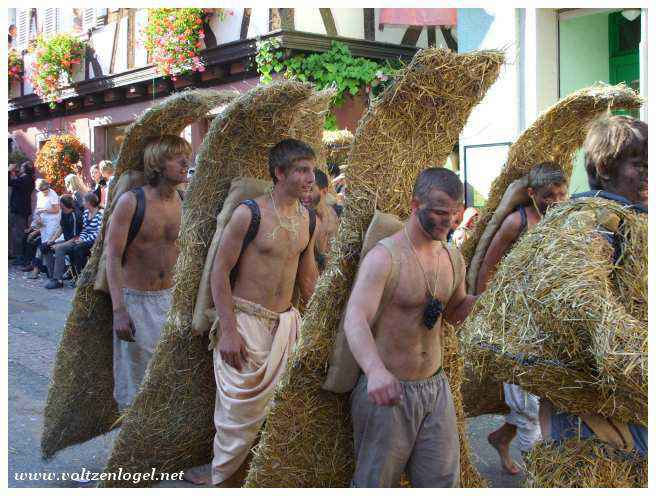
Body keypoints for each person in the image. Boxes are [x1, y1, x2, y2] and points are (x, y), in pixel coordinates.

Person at [186, 139, 320, 486]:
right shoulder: (250, 213)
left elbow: (308, 277)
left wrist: (322, 325)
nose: (310, 177)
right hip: (245, 323)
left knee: (274, 415)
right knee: (235, 415)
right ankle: (223, 480)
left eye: (311, 169)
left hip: (285, 325)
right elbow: (219, 271)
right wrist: (228, 330)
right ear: (279, 173)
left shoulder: (308, 218)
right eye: (302, 170)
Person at [343, 168, 477, 487]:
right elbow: (356, 317)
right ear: (416, 205)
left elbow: (454, 312)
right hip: (388, 391)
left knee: (442, 482)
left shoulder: (453, 258)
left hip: (435, 388)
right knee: (376, 483)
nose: (448, 223)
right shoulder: (385, 257)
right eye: (440, 213)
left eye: (454, 215)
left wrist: (491, 300)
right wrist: (375, 371)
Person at [538, 115, 647, 457]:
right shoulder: (595, 221)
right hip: (599, 399)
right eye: (639, 165)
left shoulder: (632, 218)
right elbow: (579, 300)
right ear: (604, 167)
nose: (648, 173)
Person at [475, 162, 568, 475]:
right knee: (528, 406)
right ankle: (541, 479)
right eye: (548, 195)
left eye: (561, 194)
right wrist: (484, 313)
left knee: (541, 396)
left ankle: (500, 438)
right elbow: (488, 266)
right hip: (516, 324)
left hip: (550, 325)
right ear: (531, 194)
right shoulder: (518, 222)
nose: (555, 200)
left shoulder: (567, 221)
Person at [104, 135, 190, 408]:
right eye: (177, 158)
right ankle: (129, 444)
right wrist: (119, 310)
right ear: (157, 164)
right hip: (136, 301)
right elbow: (113, 256)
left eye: (186, 156)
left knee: (168, 379)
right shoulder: (131, 202)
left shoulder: (184, 200)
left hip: (171, 299)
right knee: (136, 385)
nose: (186, 162)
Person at [45, 192, 102, 288]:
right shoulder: (86, 213)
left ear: (89, 203)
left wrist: (83, 240)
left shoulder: (99, 215)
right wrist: (81, 239)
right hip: (83, 239)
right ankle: (56, 277)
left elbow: (98, 232)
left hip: (93, 241)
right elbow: (84, 230)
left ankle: (77, 277)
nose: (82, 202)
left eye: (84, 201)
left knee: (76, 249)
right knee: (50, 247)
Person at [301, 168, 340, 272]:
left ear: (324, 191)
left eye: (310, 190)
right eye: (303, 189)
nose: (304, 195)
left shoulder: (338, 214)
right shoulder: (302, 220)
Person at [23, 179, 61, 279]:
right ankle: (43, 269)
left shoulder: (53, 194)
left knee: (44, 245)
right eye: (42, 191)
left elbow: (56, 209)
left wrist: (45, 210)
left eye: (45, 190)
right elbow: (38, 209)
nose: (44, 192)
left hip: (52, 222)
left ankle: (40, 270)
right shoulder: (39, 195)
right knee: (39, 244)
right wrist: (38, 219)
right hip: (42, 222)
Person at [42, 194, 84, 283]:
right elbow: (61, 227)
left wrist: (61, 245)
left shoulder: (74, 216)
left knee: (59, 249)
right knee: (45, 246)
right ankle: (52, 274)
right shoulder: (64, 213)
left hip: (75, 241)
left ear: (63, 205)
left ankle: (58, 279)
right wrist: (52, 240)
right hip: (67, 240)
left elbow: (76, 237)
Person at [9, 160, 36, 263]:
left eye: (21, 167)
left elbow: (10, 182)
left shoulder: (24, 179)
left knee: (18, 234)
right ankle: (21, 256)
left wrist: (9, 170)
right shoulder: (28, 179)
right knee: (19, 233)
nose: (19, 169)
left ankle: (20, 257)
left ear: (24, 169)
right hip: (23, 209)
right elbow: (16, 181)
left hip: (19, 210)